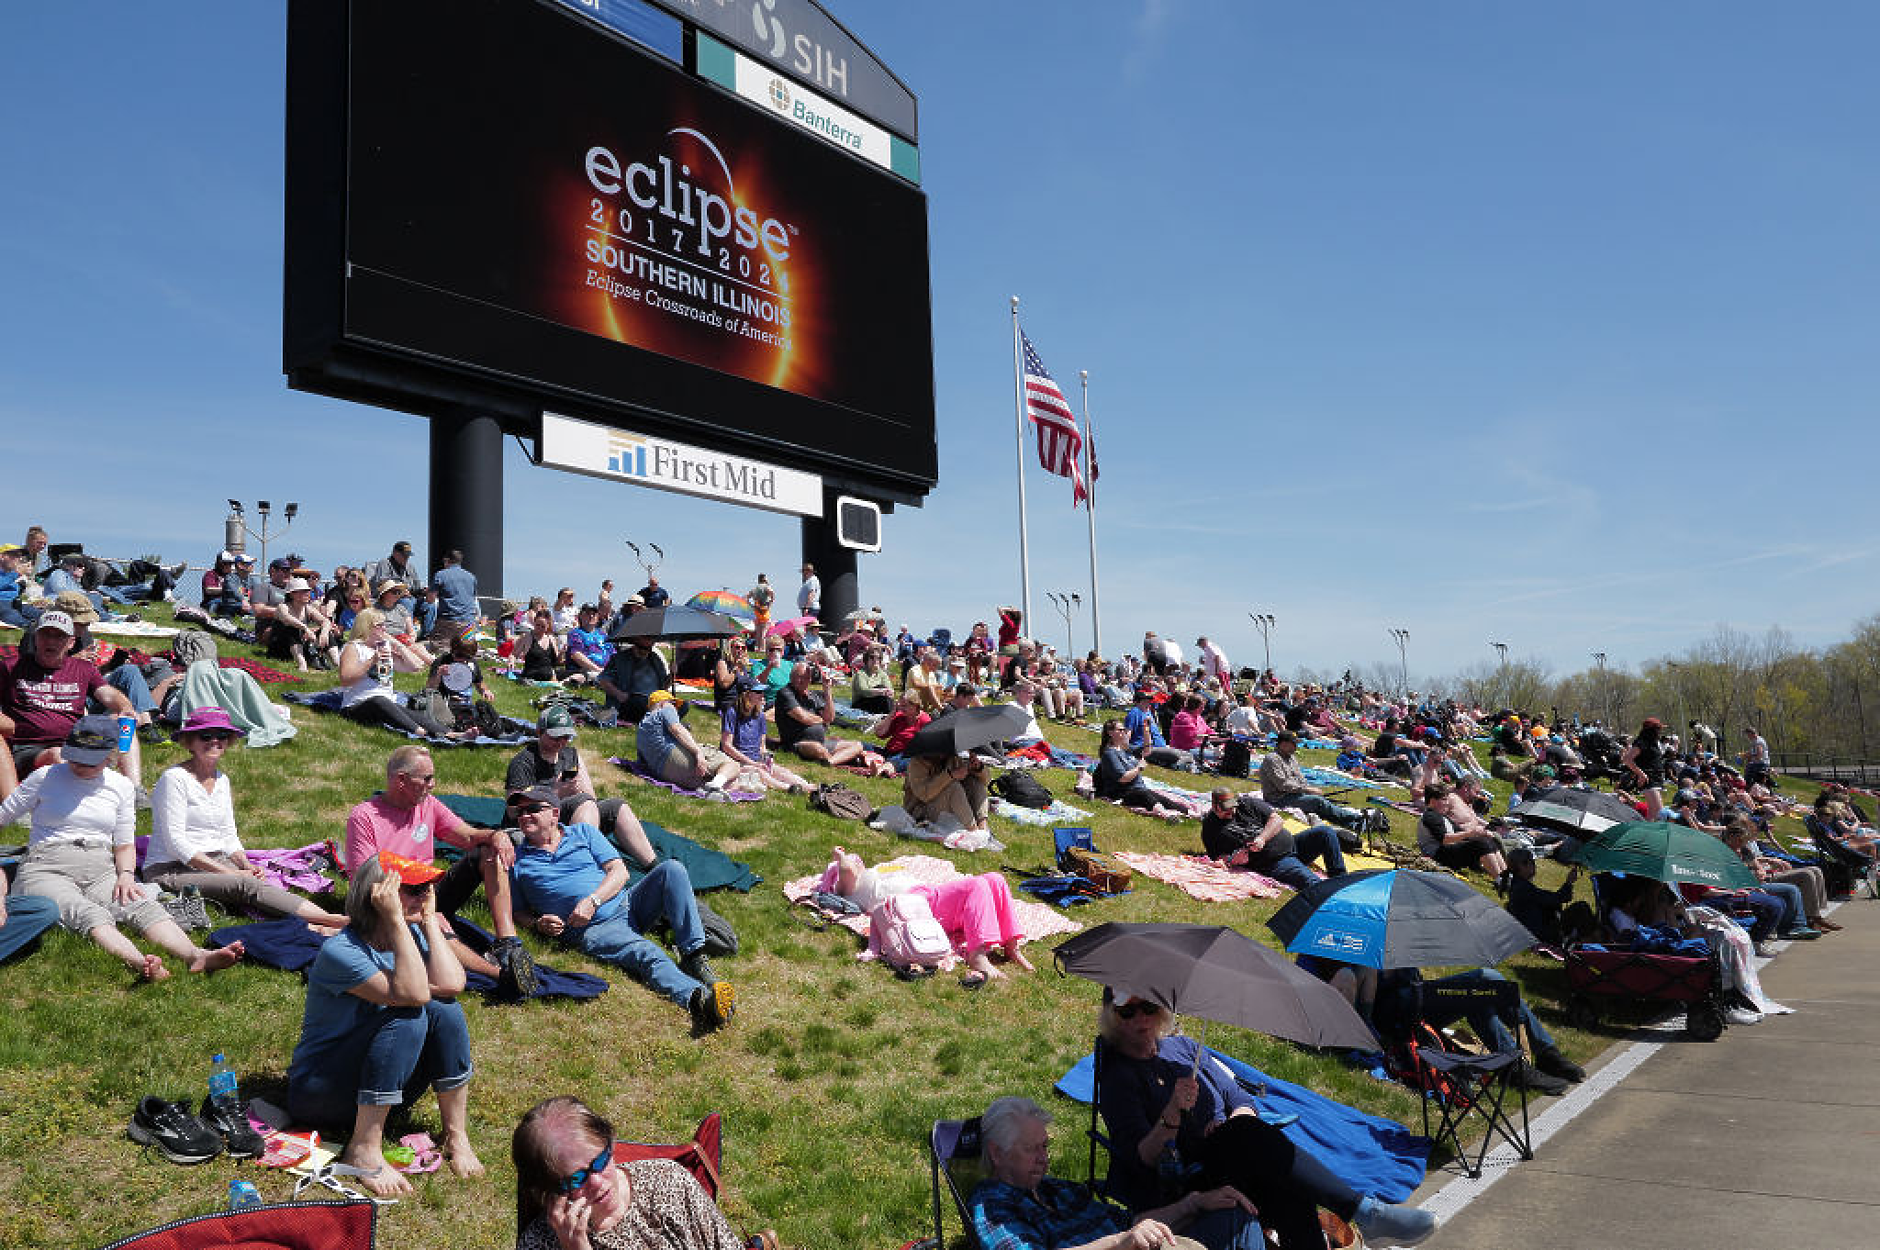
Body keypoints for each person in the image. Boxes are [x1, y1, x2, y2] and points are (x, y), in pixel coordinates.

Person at [1096, 990, 1435, 1250]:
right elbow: (1140, 1160)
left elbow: (1239, 1097)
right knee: (1257, 1150)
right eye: (1128, 1011)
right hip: (1184, 1179)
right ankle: (1363, 1211)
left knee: (1286, 1183)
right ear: (1112, 1018)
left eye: (1149, 1008)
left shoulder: (1183, 1048)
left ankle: (1357, 1215)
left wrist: (1237, 1118)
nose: (1141, 1018)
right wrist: (1171, 1115)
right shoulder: (1119, 1078)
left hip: (1234, 1156)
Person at [286, 851, 480, 1196]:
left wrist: (430, 921)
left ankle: (456, 1135)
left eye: (426, 888)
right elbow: (414, 995)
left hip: (379, 1085)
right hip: (320, 1093)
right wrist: (393, 919)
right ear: (377, 895)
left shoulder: (409, 936)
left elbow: (451, 985)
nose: (422, 896)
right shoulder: (341, 951)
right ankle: (363, 1146)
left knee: (445, 1009)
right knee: (409, 1013)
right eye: (412, 889)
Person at [0, 715, 245, 981]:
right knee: (86, 912)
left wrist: (126, 874)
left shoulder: (121, 786)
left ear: (111, 756)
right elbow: (4, 815)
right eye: (75, 756)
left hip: (100, 866)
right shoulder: (45, 776)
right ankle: (141, 963)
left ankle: (196, 955)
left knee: (139, 904)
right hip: (46, 865)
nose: (79, 765)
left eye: (89, 760)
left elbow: (125, 842)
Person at [505, 785, 734, 1032]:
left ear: (554, 814)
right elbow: (516, 913)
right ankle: (700, 1000)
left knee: (672, 870)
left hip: (626, 903)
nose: (524, 815)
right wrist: (538, 924)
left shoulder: (582, 832)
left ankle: (693, 956)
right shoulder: (516, 860)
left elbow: (620, 871)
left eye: (533, 809)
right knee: (646, 952)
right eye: (520, 811)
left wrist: (593, 901)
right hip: (592, 928)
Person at [344, 745, 537, 995]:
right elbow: (366, 882)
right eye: (427, 778)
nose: (433, 784)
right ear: (401, 780)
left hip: (428, 891)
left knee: (489, 850)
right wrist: (422, 909)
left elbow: (467, 837)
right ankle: (503, 976)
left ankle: (507, 944)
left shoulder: (428, 805)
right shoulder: (364, 817)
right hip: (391, 899)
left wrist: (495, 835)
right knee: (430, 926)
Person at [143, 706, 348, 929]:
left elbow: (228, 835)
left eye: (222, 735)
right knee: (244, 885)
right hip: (170, 869)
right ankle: (334, 920)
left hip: (212, 861)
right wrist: (231, 873)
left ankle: (316, 926)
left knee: (257, 882)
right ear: (189, 741)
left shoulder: (222, 780)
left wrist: (245, 863)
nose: (215, 741)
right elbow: (176, 845)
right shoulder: (174, 779)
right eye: (205, 736)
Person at [969, 1095, 1263, 1250]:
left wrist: (1194, 1203)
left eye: (1045, 1146)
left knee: (1234, 1215)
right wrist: (1120, 1242)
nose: (1043, 1158)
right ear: (997, 1153)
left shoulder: (1058, 1190)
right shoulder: (994, 1205)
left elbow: (1131, 1222)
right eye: (1031, 1149)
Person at [512, 1095, 755, 1250]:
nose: (597, 1182)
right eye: (576, 1178)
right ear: (548, 1193)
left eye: (600, 1161)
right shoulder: (540, 1244)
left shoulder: (668, 1181)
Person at [825, 846, 1033, 985]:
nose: (857, 861)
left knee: (995, 879)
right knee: (977, 884)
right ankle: (976, 955)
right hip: (917, 910)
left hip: (930, 897)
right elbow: (848, 870)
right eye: (854, 861)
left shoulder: (875, 874)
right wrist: (840, 856)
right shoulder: (849, 886)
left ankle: (1010, 946)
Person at [0, 610, 140, 801]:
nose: (51, 641)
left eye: (59, 636)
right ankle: (90, 794)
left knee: (125, 723)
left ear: (71, 642)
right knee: (58, 755)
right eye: (45, 634)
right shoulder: (11, 667)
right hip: (28, 748)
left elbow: (107, 694)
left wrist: (124, 707)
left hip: (76, 741)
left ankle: (134, 791)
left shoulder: (83, 668)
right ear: (36, 638)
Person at [507, 705, 659, 865]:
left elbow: (590, 797)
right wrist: (556, 792)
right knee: (584, 803)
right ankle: (581, 866)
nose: (560, 742)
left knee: (617, 806)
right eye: (555, 737)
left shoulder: (571, 755)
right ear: (539, 732)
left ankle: (652, 865)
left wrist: (578, 790)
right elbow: (512, 811)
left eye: (565, 737)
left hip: (573, 814)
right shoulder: (523, 762)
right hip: (540, 819)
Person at [337, 610, 456, 738]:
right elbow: (345, 680)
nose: (384, 628)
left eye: (384, 624)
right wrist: (372, 661)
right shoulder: (353, 647)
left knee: (406, 712)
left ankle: (450, 733)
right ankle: (421, 733)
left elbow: (415, 666)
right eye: (380, 625)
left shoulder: (383, 647)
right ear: (367, 627)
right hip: (356, 705)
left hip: (387, 704)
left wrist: (397, 644)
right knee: (379, 701)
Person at [1200, 789, 1346, 889]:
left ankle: (1341, 879)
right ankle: (1332, 900)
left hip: (1294, 845)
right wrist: (1233, 860)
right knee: (1312, 882)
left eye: (1233, 807)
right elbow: (1217, 857)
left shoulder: (1247, 804)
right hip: (1273, 863)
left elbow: (1277, 820)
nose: (1231, 812)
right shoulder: (1210, 828)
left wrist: (1262, 838)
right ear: (1214, 806)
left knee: (1325, 832)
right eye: (1226, 809)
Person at [775, 662, 892, 773]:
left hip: (821, 742)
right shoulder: (785, 693)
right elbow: (803, 717)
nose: (801, 680)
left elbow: (830, 718)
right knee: (817, 748)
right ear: (791, 677)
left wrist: (827, 691)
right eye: (798, 676)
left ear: (810, 680)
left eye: (805, 678)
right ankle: (848, 760)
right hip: (797, 743)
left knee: (857, 745)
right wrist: (821, 720)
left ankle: (830, 761)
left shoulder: (812, 696)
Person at [717, 677, 812, 792]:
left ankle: (810, 787)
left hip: (755, 760)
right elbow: (727, 746)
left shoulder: (760, 715)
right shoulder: (732, 713)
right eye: (758, 692)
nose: (762, 695)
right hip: (735, 762)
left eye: (762, 692)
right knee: (760, 773)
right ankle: (790, 789)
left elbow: (762, 746)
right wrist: (752, 763)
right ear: (746, 694)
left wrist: (766, 757)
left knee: (783, 772)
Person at [636, 690, 741, 792]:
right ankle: (716, 784)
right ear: (663, 702)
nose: (675, 708)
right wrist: (698, 753)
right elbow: (677, 729)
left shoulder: (641, 728)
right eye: (673, 703)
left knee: (732, 784)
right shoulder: (666, 708)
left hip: (664, 773)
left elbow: (642, 762)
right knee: (733, 765)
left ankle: (713, 787)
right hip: (676, 757)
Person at [1258, 733, 1362, 831]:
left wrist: (1307, 789)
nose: (1296, 747)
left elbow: (1300, 778)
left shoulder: (1291, 758)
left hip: (1295, 794)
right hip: (1278, 798)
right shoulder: (1272, 759)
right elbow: (1282, 784)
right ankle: (1358, 817)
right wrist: (1307, 789)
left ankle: (1355, 825)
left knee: (1321, 805)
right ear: (1283, 744)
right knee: (1317, 802)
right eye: (1294, 744)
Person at [1094, 720, 1189, 822]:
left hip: (1138, 789)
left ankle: (1195, 815)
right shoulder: (1110, 754)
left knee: (1164, 799)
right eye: (1120, 730)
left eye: (1124, 730)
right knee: (1145, 796)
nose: (1124, 732)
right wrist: (1139, 768)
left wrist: (1146, 730)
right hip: (1122, 793)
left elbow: (1146, 751)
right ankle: (1166, 816)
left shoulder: (1123, 749)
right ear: (1110, 733)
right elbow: (1123, 778)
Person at [1416, 780, 1509, 882]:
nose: (1447, 803)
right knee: (1481, 844)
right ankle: (1500, 880)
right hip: (1437, 855)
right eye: (1444, 800)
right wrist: (1471, 833)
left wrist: (1481, 833)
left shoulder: (1441, 817)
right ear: (1433, 801)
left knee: (1487, 841)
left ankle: (1505, 875)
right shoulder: (1430, 816)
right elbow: (1444, 839)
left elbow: (1459, 832)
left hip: (1446, 851)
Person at [903, 751, 991, 833]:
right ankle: (973, 830)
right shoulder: (917, 763)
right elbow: (924, 795)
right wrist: (950, 775)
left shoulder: (951, 758)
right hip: (921, 810)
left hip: (945, 807)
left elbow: (986, 782)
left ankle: (983, 826)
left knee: (975, 782)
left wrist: (978, 768)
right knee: (953, 787)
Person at [597, 636, 668, 724]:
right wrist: (620, 695)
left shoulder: (655, 659)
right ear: (635, 642)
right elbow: (603, 681)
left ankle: (660, 716)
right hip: (629, 702)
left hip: (655, 699)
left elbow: (664, 686)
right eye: (643, 648)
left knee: (683, 706)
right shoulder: (619, 659)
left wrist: (672, 674)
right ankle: (662, 718)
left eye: (649, 648)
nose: (646, 652)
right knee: (641, 702)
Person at [1620, 717, 1669, 819]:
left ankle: (1644, 834)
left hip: (1656, 778)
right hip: (1649, 779)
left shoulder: (1653, 742)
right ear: (1651, 730)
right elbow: (1627, 759)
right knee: (1660, 812)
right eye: (1658, 729)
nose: (1660, 731)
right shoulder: (1642, 742)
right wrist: (1641, 774)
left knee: (1652, 814)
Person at [432, 549, 480, 641]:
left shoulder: (440, 575)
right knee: (466, 651)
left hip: (447, 621)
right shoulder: (471, 577)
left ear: (447, 560)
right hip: (468, 622)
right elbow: (473, 599)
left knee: (441, 652)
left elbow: (430, 599)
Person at [849, 645, 894, 714]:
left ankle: (890, 716)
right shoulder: (860, 674)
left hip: (878, 701)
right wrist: (881, 691)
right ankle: (890, 717)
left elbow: (890, 690)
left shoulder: (882, 674)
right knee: (882, 689)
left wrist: (887, 692)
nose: (875, 660)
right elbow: (863, 691)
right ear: (866, 659)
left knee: (886, 696)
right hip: (861, 703)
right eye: (872, 657)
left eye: (878, 658)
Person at [747, 573, 775, 645]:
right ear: (765, 579)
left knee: (758, 632)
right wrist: (769, 604)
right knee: (763, 632)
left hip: (756, 611)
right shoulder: (767, 587)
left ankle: (757, 647)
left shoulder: (755, 588)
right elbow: (773, 595)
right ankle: (762, 648)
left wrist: (752, 606)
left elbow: (747, 597)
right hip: (764, 611)